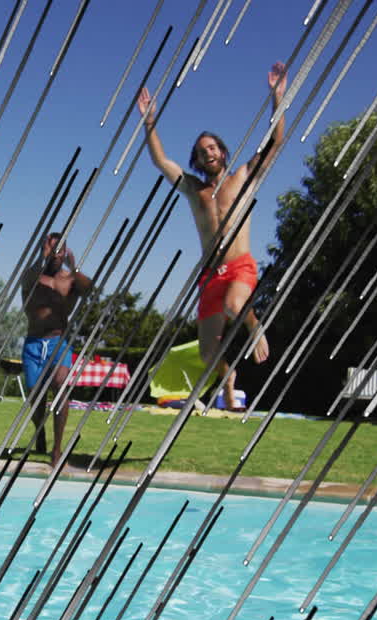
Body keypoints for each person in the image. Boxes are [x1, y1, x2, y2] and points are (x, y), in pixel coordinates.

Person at [137, 61, 287, 410]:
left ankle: (256, 329)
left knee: (237, 306)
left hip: (239, 267)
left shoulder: (243, 178)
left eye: (213, 148)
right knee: (207, 352)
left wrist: (277, 98)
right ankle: (230, 382)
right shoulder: (195, 191)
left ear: (222, 151)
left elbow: (276, 142)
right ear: (198, 160)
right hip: (210, 275)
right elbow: (161, 161)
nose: (209, 153)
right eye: (202, 151)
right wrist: (149, 123)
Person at [21, 232, 93, 466]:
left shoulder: (69, 280)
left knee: (60, 388)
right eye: (50, 249)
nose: (54, 254)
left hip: (57, 342)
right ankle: (39, 430)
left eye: (59, 250)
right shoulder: (33, 276)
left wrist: (74, 266)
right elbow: (29, 278)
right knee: (34, 394)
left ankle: (57, 450)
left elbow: (88, 288)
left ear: (65, 252)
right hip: (33, 342)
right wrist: (40, 259)